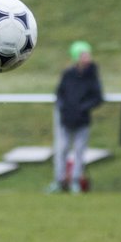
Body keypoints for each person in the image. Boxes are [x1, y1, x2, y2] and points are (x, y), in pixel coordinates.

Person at [48, 41, 103, 194]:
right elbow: (60, 93)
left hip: (82, 120)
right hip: (66, 119)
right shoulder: (68, 74)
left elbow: (97, 97)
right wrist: (64, 108)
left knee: (79, 151)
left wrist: (82, 108)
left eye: (87, 54)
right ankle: (59, 181)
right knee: (62, 149)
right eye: (83, 55)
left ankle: (75, 181)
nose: (86, 58)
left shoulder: (92, 75)